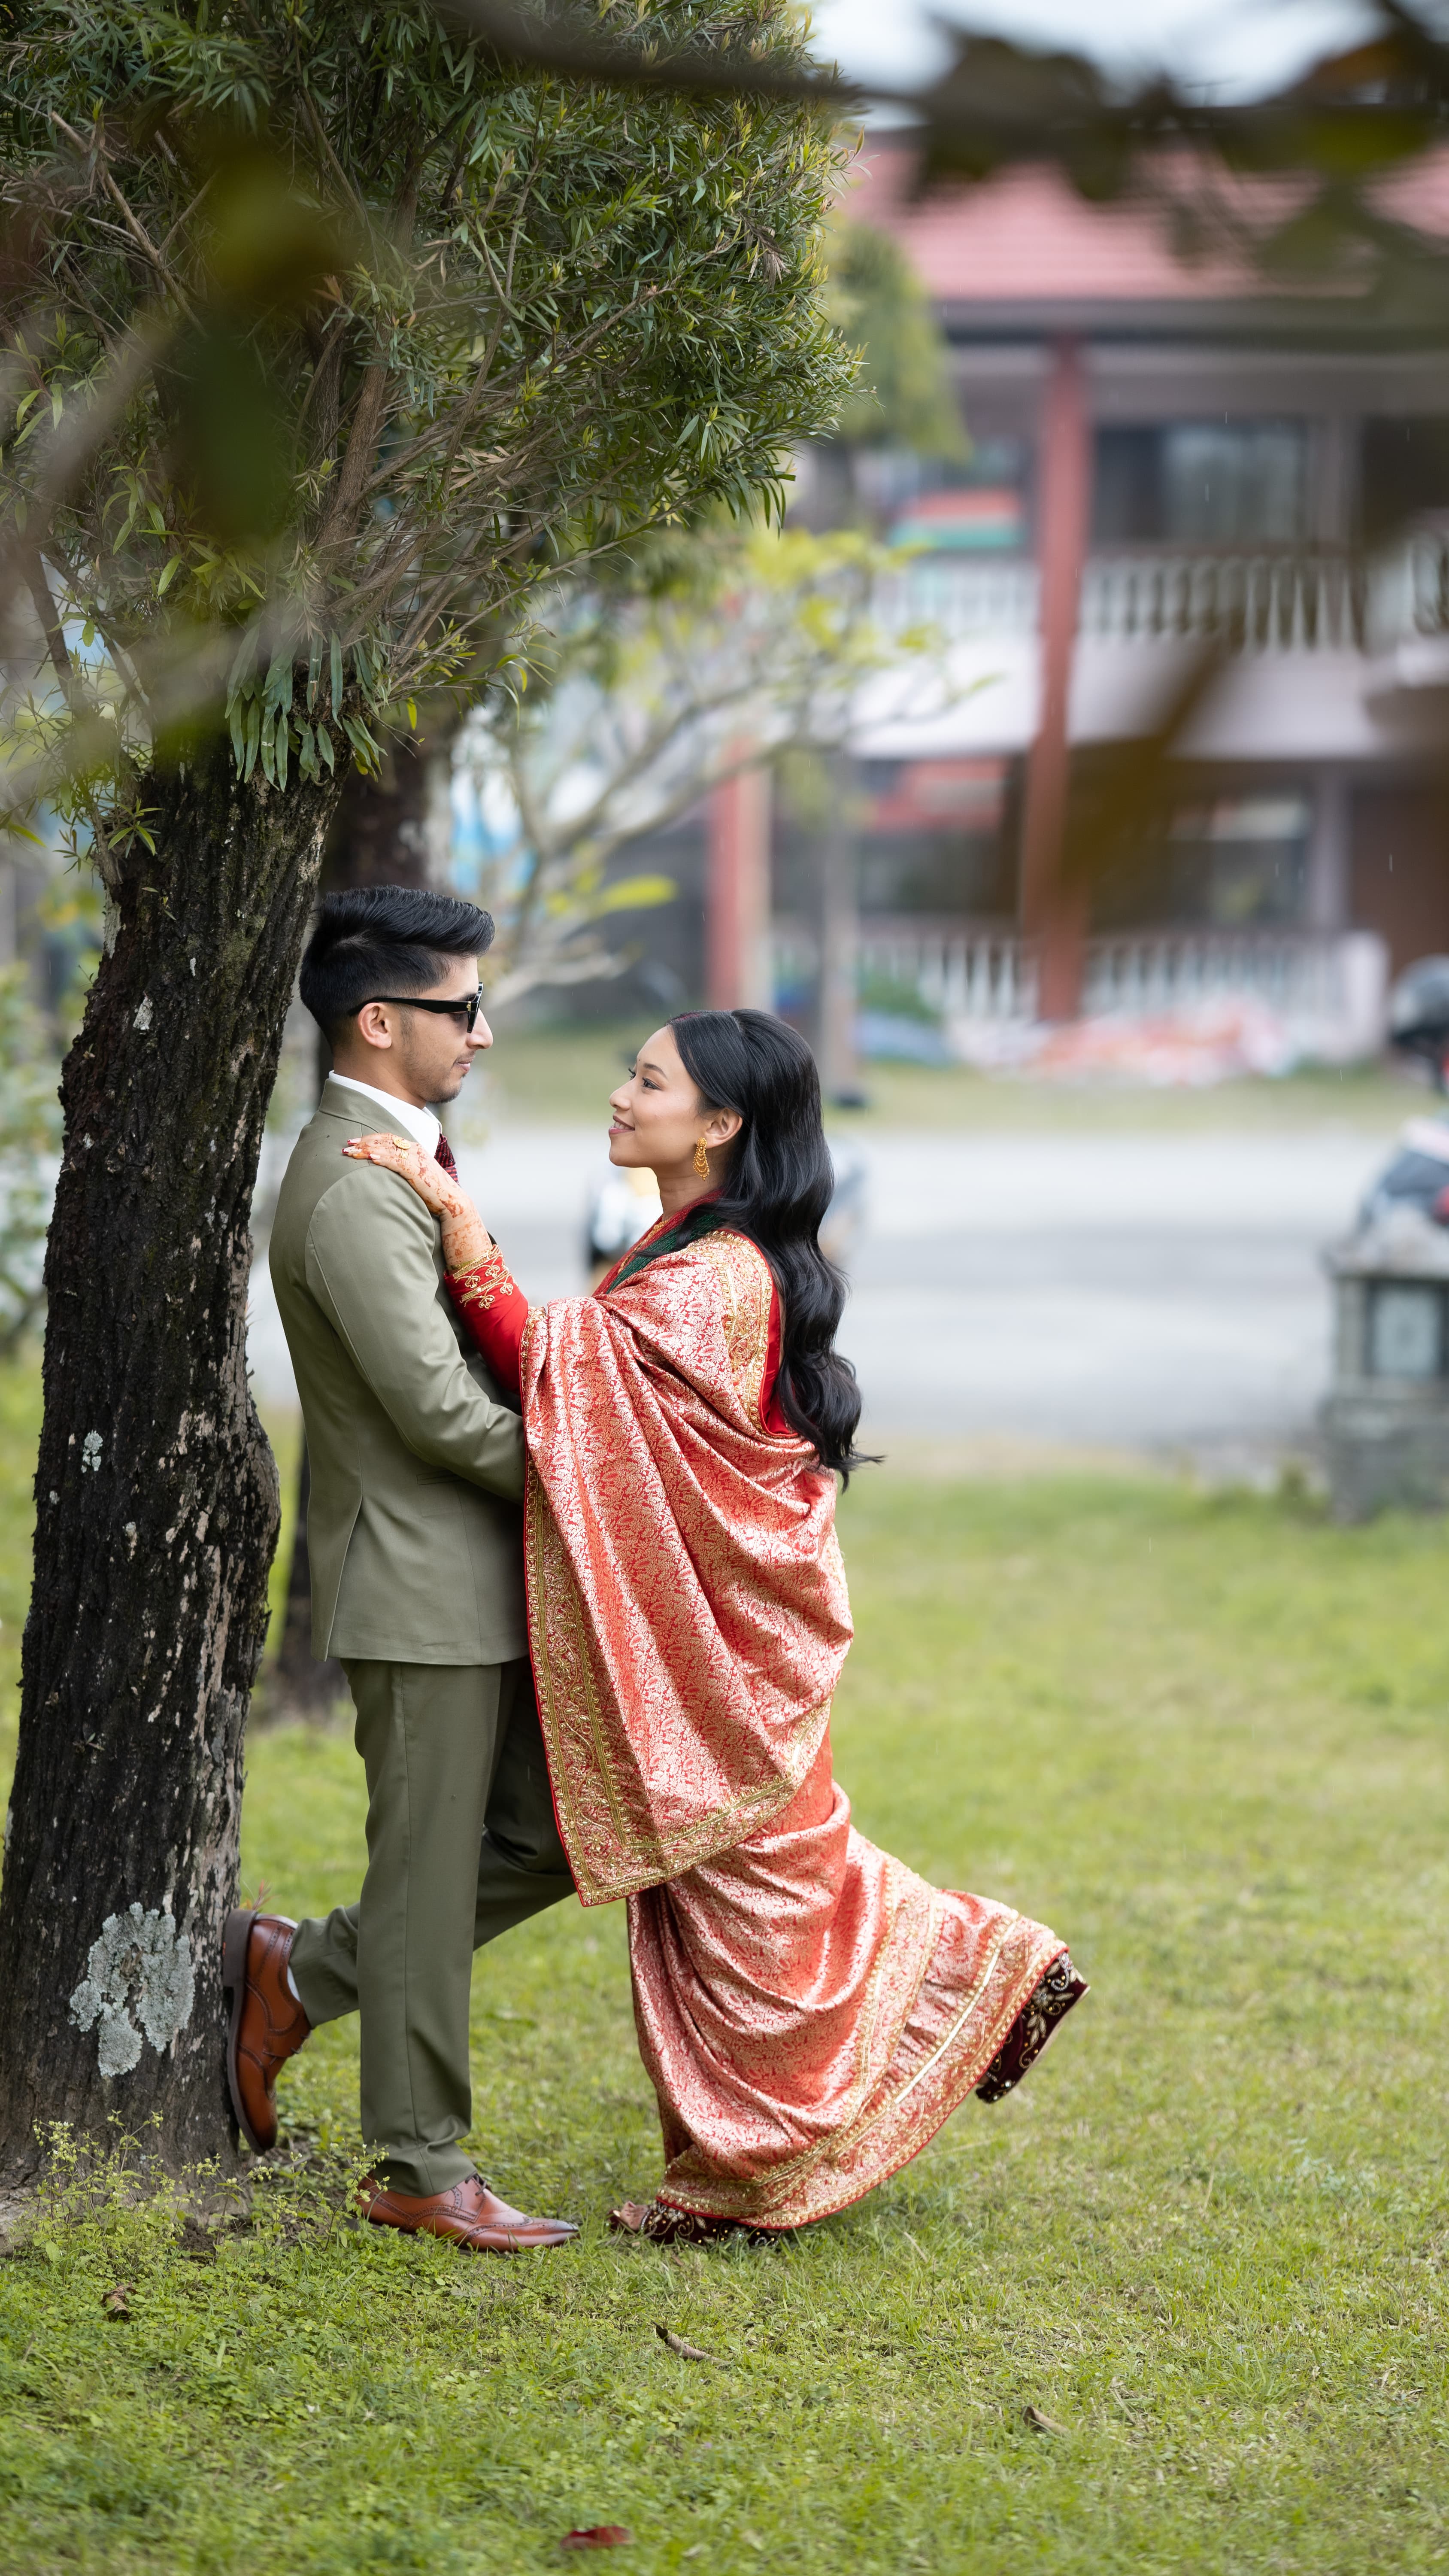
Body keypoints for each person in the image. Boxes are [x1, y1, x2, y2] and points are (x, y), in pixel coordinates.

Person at [346, 1008, 1085, 2240]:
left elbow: (553, 1364)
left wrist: (455, 1222)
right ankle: (929, 2009)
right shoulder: (696, 1240)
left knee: (765, 1901)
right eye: (629, 1072)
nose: (624, 1096)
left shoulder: (719, 1273)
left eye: (650, 1081)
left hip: (728, 1648)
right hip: (722, 1634)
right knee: (759, 1881)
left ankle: (854, 2078)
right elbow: (615, 1396)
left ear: (722, 1125)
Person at [222, 887, 578, 2255]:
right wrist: (600, 1486)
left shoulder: (403, 1159)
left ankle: (295, 1973)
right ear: (381, 1022)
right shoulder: (350, 1184)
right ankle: (418, 2168)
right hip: (416, 1583)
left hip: (468, 1575)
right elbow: (435, 1411)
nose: (483, 1034)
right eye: (462, 1008)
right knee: (427, 1869)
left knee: (548, 1836)